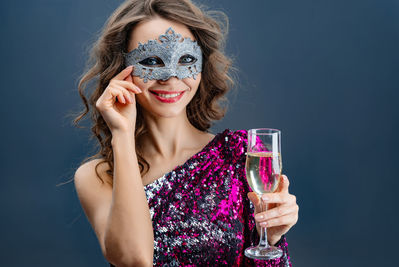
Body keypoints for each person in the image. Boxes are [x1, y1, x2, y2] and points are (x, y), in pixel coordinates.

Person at [73, 0, 299, 266]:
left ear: (202, 65)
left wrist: (270, 238)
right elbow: (134, 260)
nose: (171, 77)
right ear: (121, 68)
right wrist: (121, 133)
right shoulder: (98, 177)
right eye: (152, 60)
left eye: (186, 59)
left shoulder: (241, 155)